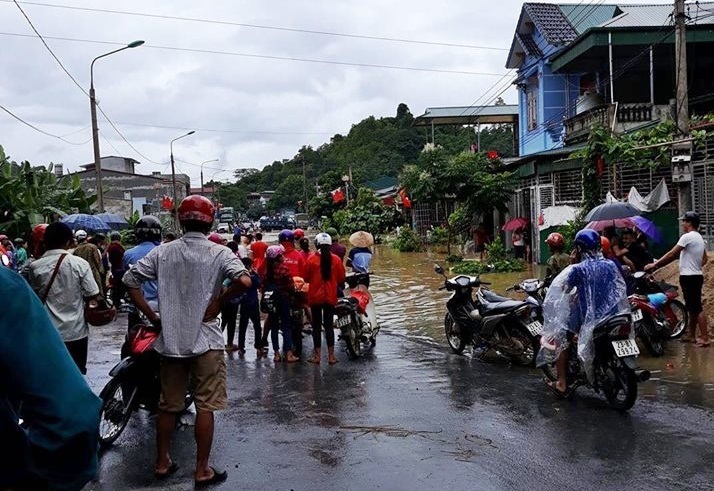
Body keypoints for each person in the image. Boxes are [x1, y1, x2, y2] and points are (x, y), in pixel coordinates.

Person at [123, 195, 251, 486]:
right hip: (206, 341)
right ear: (211, 221)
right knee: (205, 406)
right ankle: (202, 469)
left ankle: (161, 462)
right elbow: (244, 281)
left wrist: (152, 316)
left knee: (168, 405)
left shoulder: (162, 252)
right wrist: (220, 302)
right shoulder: (220, 253)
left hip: (170, 341)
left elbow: (129, 281)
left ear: (180, 220)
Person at [0, 266, 102, 491]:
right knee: (67, 377)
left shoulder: (33, 268)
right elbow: (72, 416)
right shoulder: (7, 287)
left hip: (39, 329)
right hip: (69, 332)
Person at [539, 229, 629, 396]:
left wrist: (574, 264)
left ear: (579, 249)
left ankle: (561, 383)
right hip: (613, 313)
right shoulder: (610, 264)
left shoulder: (578, 269)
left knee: (561, 337)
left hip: (588, 315)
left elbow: (566, 288)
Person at [28, 222, 101, 374]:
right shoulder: (80, 264)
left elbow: (34, 297)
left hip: (48, 332)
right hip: (76, 332)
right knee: (77, 374)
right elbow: (92, 293)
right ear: (69, 241)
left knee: (50, 374)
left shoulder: (35, 267)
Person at [645, 211, 709, 347]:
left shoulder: (687, 237)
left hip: (689, 277)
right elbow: (704, 259)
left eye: (684, 221)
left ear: (689, 223)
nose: (683, 224)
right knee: (692, 307)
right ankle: (691, 335)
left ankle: (704, 337)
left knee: (696, 308)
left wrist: (655, 264)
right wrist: (695, 265)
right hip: (696, 275)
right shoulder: (699, 238)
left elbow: (672, 253)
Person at [305, 233, 346, 365]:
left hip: (315, 298)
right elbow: (341, 278)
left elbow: (306, 278)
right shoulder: (336, 260)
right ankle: (331, 357)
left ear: (317, 244)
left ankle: (317, 357)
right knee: (329, 326)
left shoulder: (311, 260)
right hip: (330, 297)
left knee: (316, 327)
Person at [261, 245, 299, 363]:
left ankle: (276, 354)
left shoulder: (266, 270)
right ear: (278, 257)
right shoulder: (284, 269)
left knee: (274, 326)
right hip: (283, 300)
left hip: (271, 302)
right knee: (286, 325)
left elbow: (263, 287)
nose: (283, 256)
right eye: (281, 255)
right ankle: (288, 353)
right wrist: (292, 295)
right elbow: (290, 286)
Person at [123, 215, 162, 328]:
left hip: (137, 308)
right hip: (162, 307)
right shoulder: (165, 252)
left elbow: (127, 280)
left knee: (131, 342)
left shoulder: (128, 254)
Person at [237, 257, 262, 356]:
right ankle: (258, 346)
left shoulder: (241, 276)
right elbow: (259, 284)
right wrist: (256, 273)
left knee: (243, 325)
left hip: (244, 302)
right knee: (257, 325)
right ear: (250, 266)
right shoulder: (254, 277)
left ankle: (241, 347)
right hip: (253, 302)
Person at [72, 229, 105, 296]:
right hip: (94, 273)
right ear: (86, 237)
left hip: (82, 274)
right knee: (98, 293)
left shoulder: (76, 250)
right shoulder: (93, 247)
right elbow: (98, 261)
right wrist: (101, 272)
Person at [106, 232, 126, 309]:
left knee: (116, 287)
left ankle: (116, 302)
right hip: (118, 269)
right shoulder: (117, 247)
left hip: (114, 269)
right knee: (119, 287)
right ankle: (117, 302)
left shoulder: (110, 246)